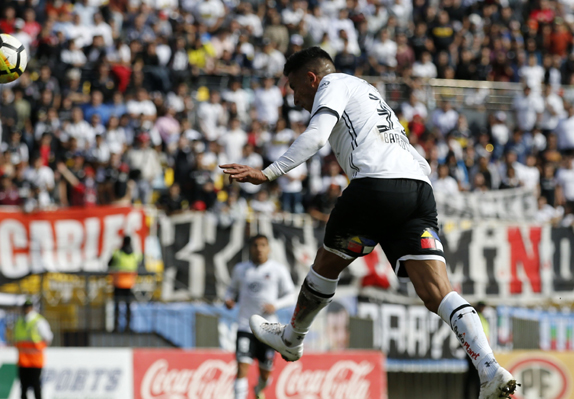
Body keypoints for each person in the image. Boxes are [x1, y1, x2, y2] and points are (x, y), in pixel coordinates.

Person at [220, 47, 517, 399]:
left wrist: (267, 172)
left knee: (326, 265)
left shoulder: (333, 83)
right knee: (437, 291)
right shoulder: (370, 94)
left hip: (377, 184)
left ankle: (292, 338)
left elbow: (315, 137)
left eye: (295, 88)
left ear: (312, 78)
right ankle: (489, 369)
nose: (296, 99)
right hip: (418, 191)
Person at [224, 235, 295, 399]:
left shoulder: (278, 269)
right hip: (244, 326)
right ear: (250, 248)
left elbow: (291, 295)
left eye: (263, 245)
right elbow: (230, 290)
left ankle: (258, 389)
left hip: (268, 329)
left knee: (265, 374)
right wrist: (228, 300)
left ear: (269, 248)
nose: (259, 249)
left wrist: (275, 305)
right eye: (255, 245)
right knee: (242, 367)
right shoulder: (240, 269)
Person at [14, 299, 53, 399]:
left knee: (36, 385)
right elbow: (16, 339)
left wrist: (39, 348)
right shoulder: (20, 321)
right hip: (23, 360)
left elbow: (48, 337)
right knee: (23, 387)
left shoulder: (38, 321)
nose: (26, 310)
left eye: (28, 307)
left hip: (35, 360)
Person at [109, 236, 142, 333]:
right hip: (130, 284)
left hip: (118, 283)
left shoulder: (117, 253)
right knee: (128, 306)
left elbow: (109, 264)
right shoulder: (135, 255)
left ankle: (116, 326)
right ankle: (128, 326)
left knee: (117, 306)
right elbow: (139, 265)